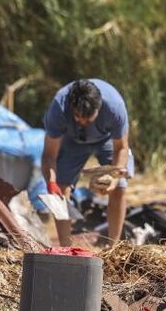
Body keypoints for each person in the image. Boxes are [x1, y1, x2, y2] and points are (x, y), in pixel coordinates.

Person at [42, 79, 133, 247]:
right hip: (71, 140)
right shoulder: (58, 108)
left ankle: (114, 248)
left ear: (98, 109)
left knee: (120, 186)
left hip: (105, 139)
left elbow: (121, 148)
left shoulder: (115, 107)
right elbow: (49, 155)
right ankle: (65, 249)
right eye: (78, 117)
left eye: (88, 118)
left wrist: (113, 176)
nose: (83, 122)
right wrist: (51, 182)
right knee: (60, 189)